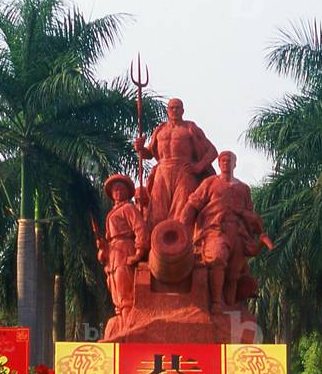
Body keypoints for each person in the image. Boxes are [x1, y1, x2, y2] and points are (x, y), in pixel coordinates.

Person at [180, 151, 272, 312]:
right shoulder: (210, 183)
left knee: (233, 273)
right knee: (217, 257)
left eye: (229, 160)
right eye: (222, 160)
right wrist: (183, 223)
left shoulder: (243, 188)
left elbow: (250, 213)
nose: (225, 163)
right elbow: (193, 203)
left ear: (235, 164)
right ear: (218, 163)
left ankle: (230, 308)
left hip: (238, 232)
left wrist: (245, 216)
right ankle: (216, 302)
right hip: (215, 229)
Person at [134, 98, 218, 227]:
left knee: (183, 211)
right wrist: (140, 148)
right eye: (172, 108)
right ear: (167, 111)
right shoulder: (160, 130)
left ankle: (183, 238)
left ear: (182, 111)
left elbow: (212, 151)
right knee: (157, 211)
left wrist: (198, 167)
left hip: (184, 171)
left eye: (177, 107)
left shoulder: (190, 128)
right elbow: (148, 154)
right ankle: (156, 238)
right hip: (162, 172)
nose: (174, 110)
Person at [98, 174, 147, 317]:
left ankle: (129, 321)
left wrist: (139, 252)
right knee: (115, 287)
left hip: (125, 249)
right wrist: (103, 248)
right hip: (113, 253)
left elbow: (140, 228)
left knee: (124, 287)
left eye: (121, 189)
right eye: (115, 190)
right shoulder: (112, 212)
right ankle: (122, 321)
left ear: (127, 192)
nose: (118, 192)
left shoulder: (128, 208)